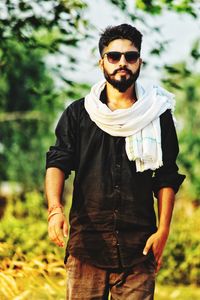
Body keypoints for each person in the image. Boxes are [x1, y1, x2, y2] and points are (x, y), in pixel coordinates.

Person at [45, 24, 185, 300]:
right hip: (87, 246)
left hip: (139, 248)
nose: (123, 63)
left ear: (139, 62)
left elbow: (166, 176)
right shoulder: (79, 113)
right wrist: (55, 209)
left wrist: (164, 231)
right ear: (102, 62)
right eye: (114, 56)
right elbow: (58, 162)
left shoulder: (157, 114)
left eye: (130, 57)